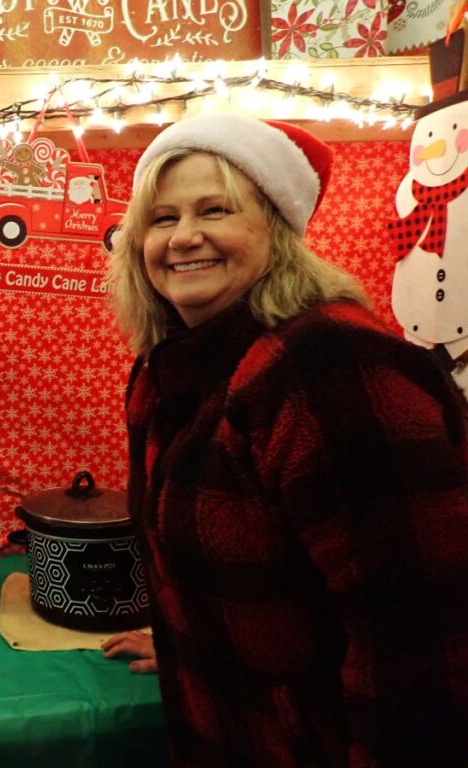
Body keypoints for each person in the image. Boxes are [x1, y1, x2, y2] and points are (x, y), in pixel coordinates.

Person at [101, 113, 468, 767]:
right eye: (162, 218)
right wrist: (191, 638)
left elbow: (422, 642)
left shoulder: (330, 364)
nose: (185, 237)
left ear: (275, 226)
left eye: (215, 210)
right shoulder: (167, 373)